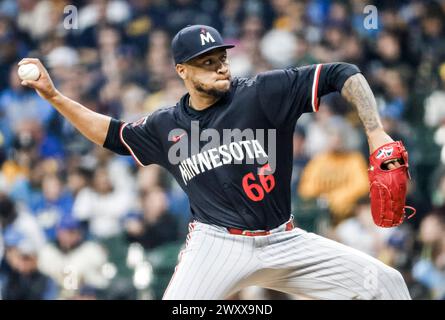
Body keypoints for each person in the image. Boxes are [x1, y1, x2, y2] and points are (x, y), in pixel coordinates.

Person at [19, 24, 411, 300]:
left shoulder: (262, 92)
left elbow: (343, 72)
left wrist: (375, 130)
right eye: (206, 61)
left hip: (284, 239)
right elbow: (112, 133)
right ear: (182, 71)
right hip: (217, 246)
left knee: (387, 284)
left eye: (221, 57)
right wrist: (54, 96)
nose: (220, 66)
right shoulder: (165, 125)